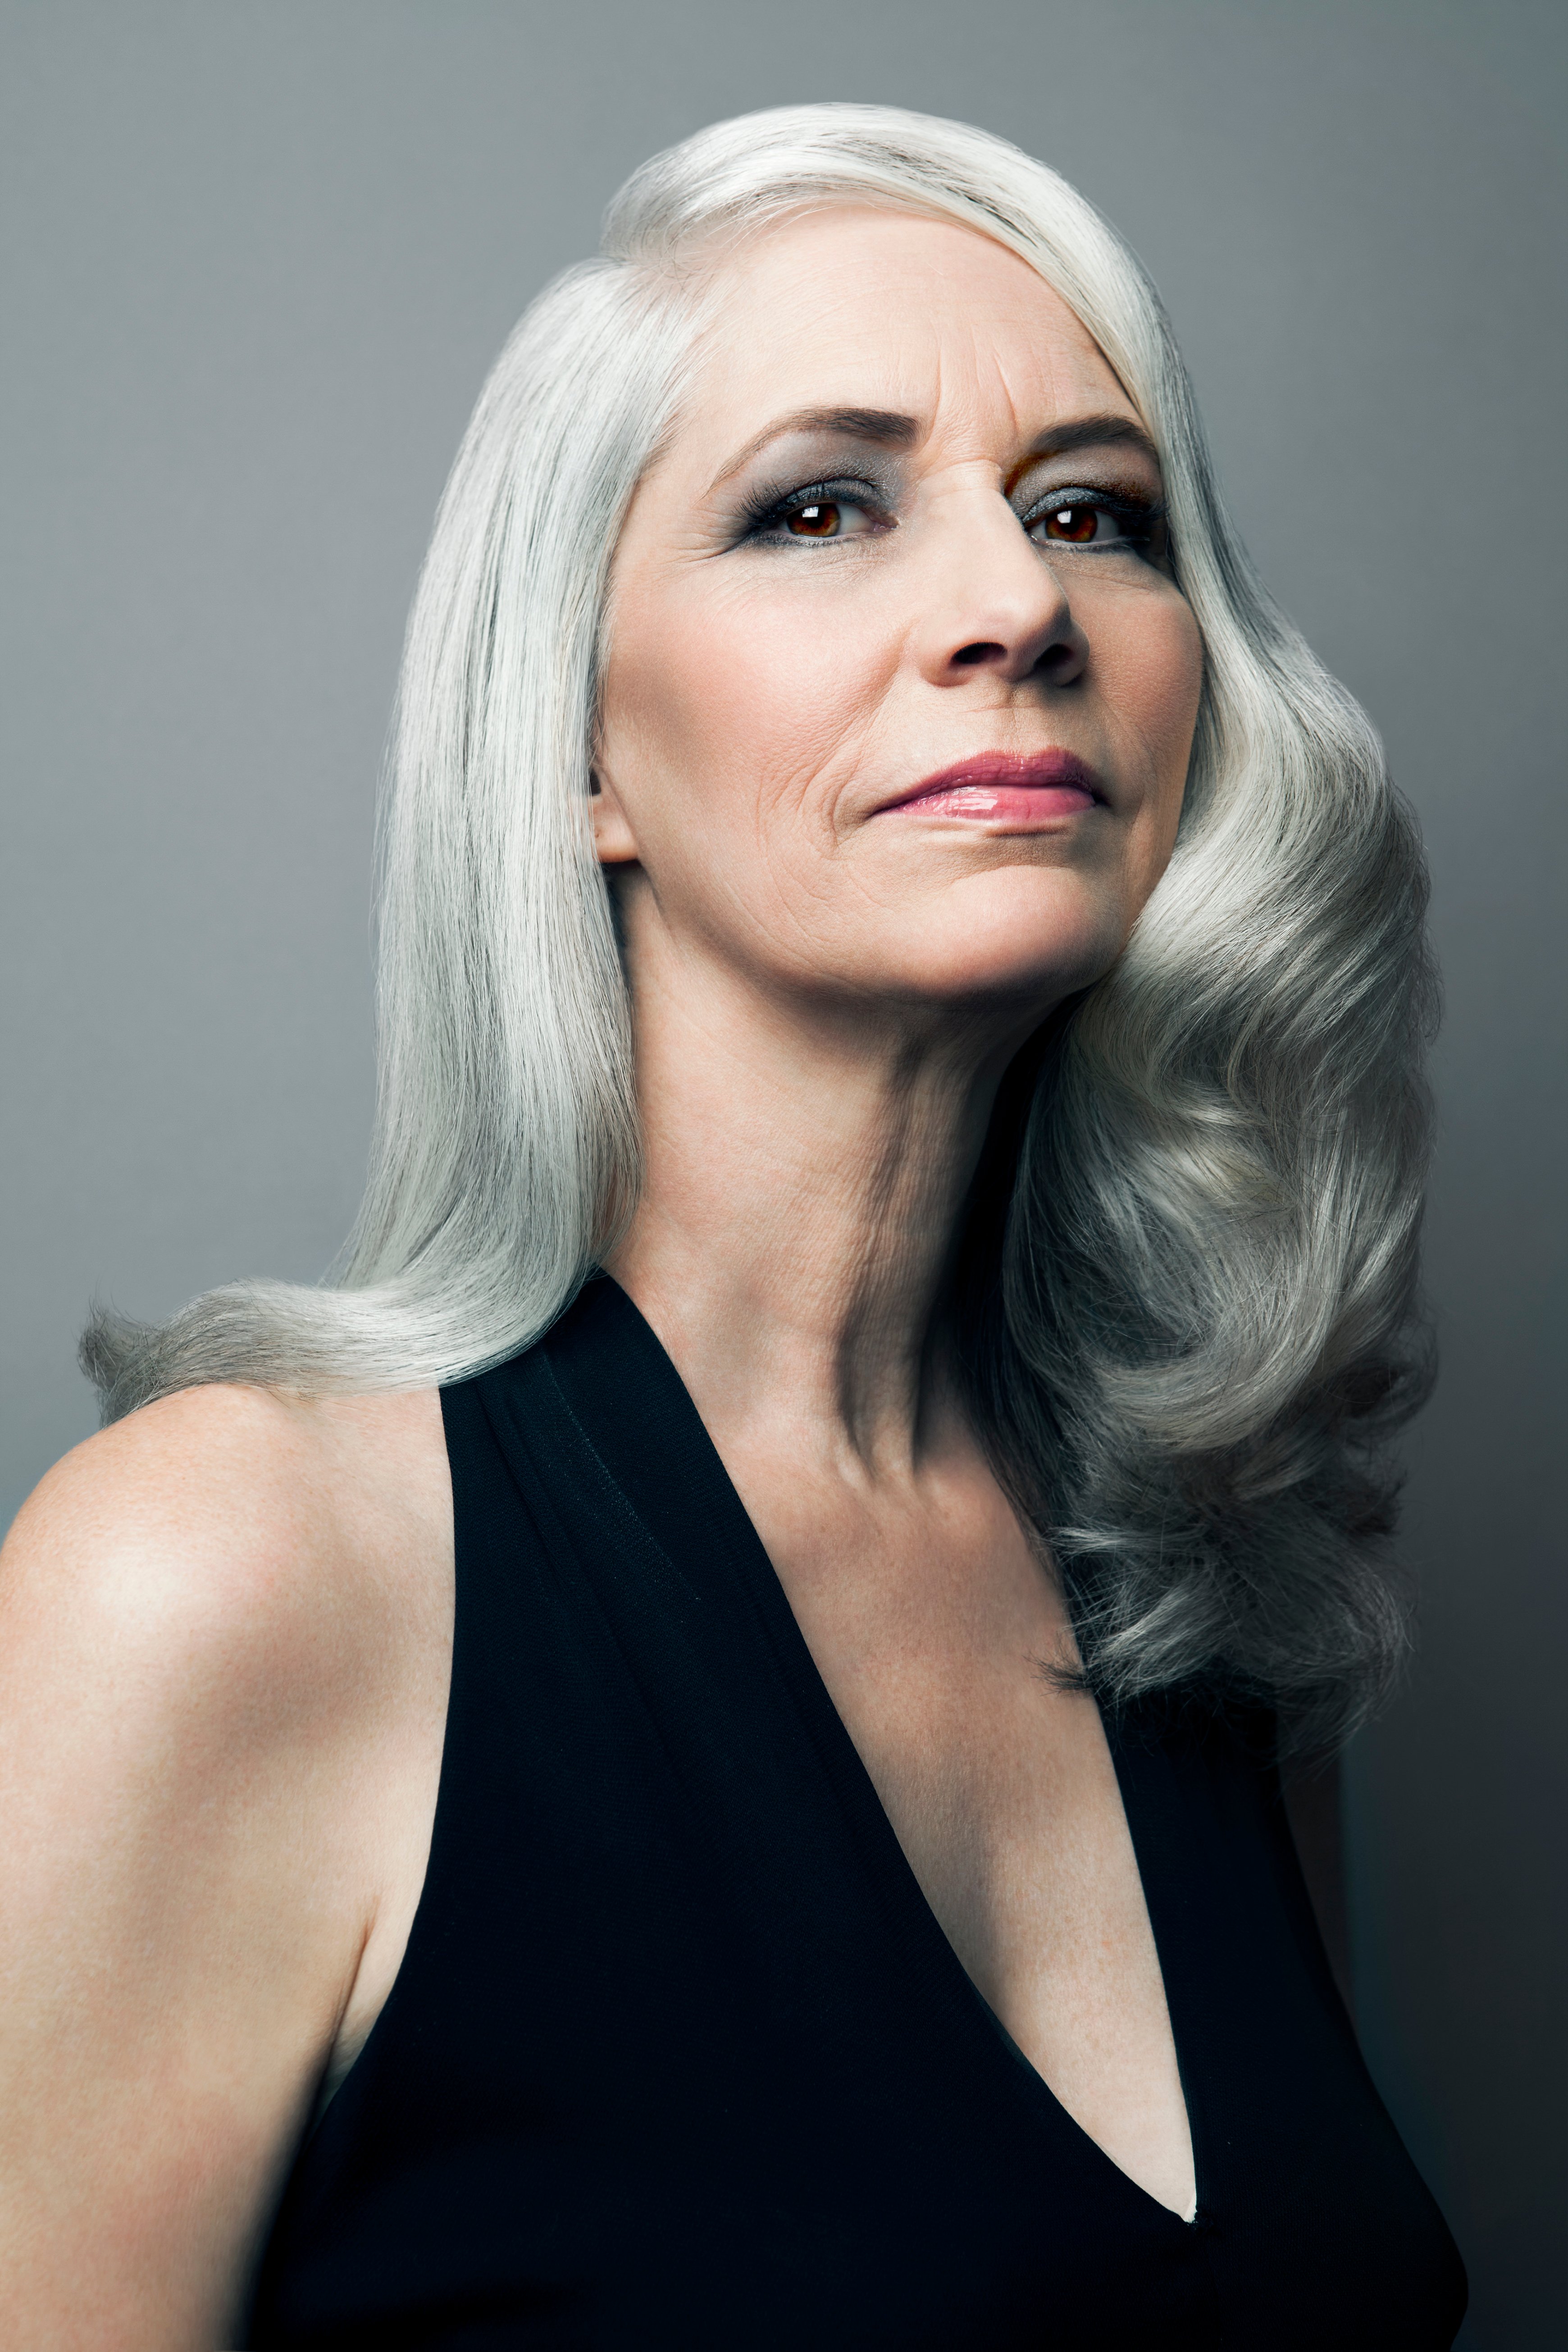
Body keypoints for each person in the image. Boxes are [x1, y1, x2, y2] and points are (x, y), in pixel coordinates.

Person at [0, 106, 1465, 2348]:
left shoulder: (1209, 1573)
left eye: (1094, 512)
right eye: (818, 508)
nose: (1016, 608)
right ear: (578, 743)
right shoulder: (218, 1578)